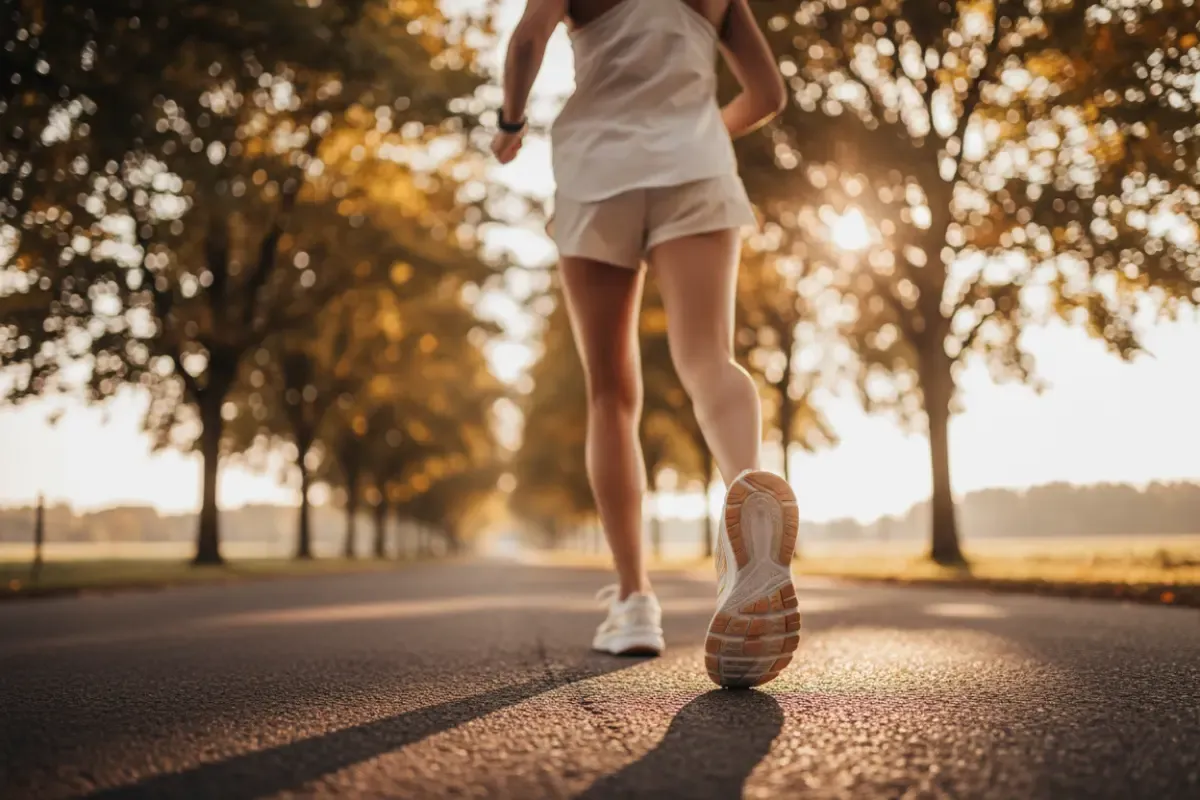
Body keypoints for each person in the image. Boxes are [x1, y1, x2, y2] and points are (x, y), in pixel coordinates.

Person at [493, 0, 800, 689]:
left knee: (610, 393)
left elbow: (524, 45)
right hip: (697, 169)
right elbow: (768, 94)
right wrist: (698, 137)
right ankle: (744, 515)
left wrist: (510, 124)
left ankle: (634, 602)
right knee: (708, 360)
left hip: (597, 174)